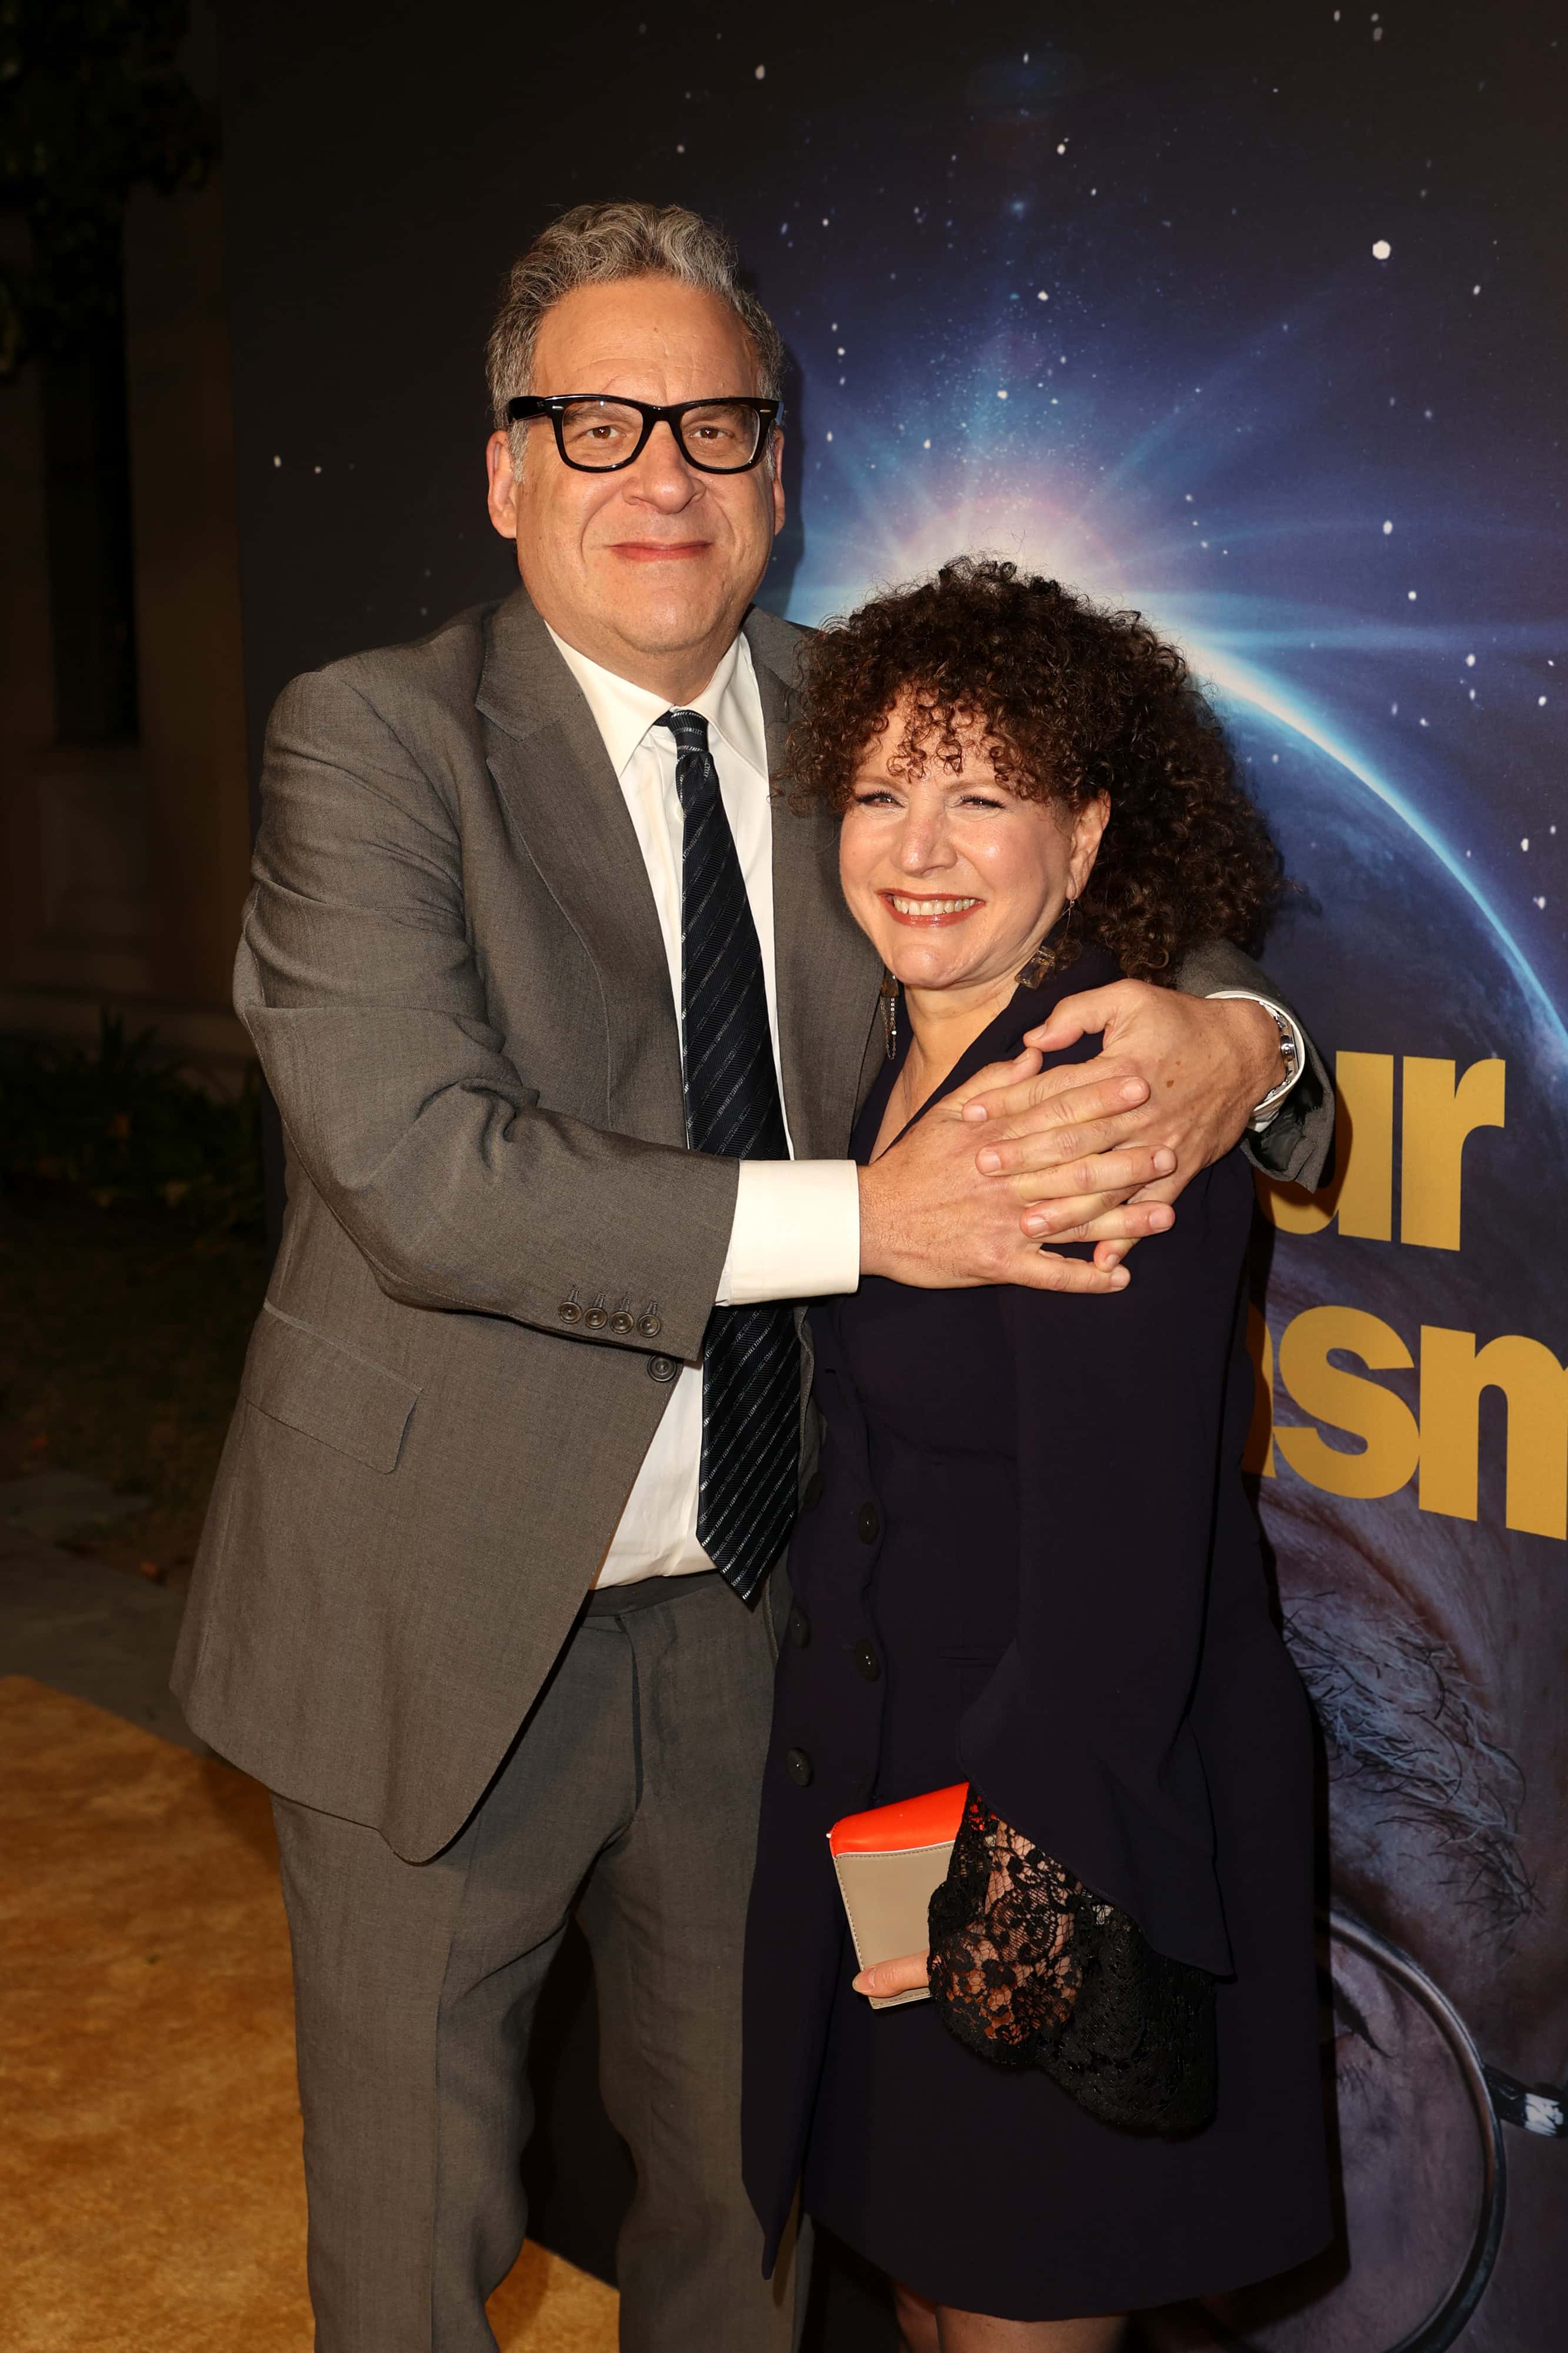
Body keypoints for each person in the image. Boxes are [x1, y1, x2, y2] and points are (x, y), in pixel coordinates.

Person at [172, 203, 1332, 2352]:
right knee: (418, 2232)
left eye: (715, 422)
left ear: (780, 475)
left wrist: (1235, 1037)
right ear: (504, 471)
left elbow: (1097, 869)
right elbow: (433, 1175)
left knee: (752, 2203)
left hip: (769, 1629)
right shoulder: (373, 743)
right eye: (594, 425)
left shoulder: (854, 723)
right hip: (432, 1613)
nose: (663, 475)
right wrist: (871, 1223)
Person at [742, 558, 1333, 2352]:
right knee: (928, 2282)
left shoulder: (1098, 1094)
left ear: (1080, 840)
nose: (918, 844)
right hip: (895, 1778)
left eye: (981, 793)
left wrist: (984, 1872)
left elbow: (1116, 1575)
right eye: (881, 790)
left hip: (1047, 1814)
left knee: (1013, 2303)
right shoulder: (901, 1050)